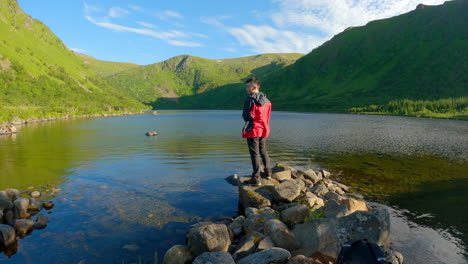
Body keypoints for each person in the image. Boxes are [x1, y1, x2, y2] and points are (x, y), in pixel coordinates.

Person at [242, 77, 272, 186]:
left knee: (254, 153)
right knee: (263, 150)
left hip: (254, 129)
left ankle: (256, 178)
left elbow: (245, 116)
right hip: (264, 128)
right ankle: (268, 173)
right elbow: (267, 116)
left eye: (248, 86)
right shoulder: (267, 101)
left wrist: (250, 119)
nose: (246, 89)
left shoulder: (250, 99)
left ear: (254, 87)